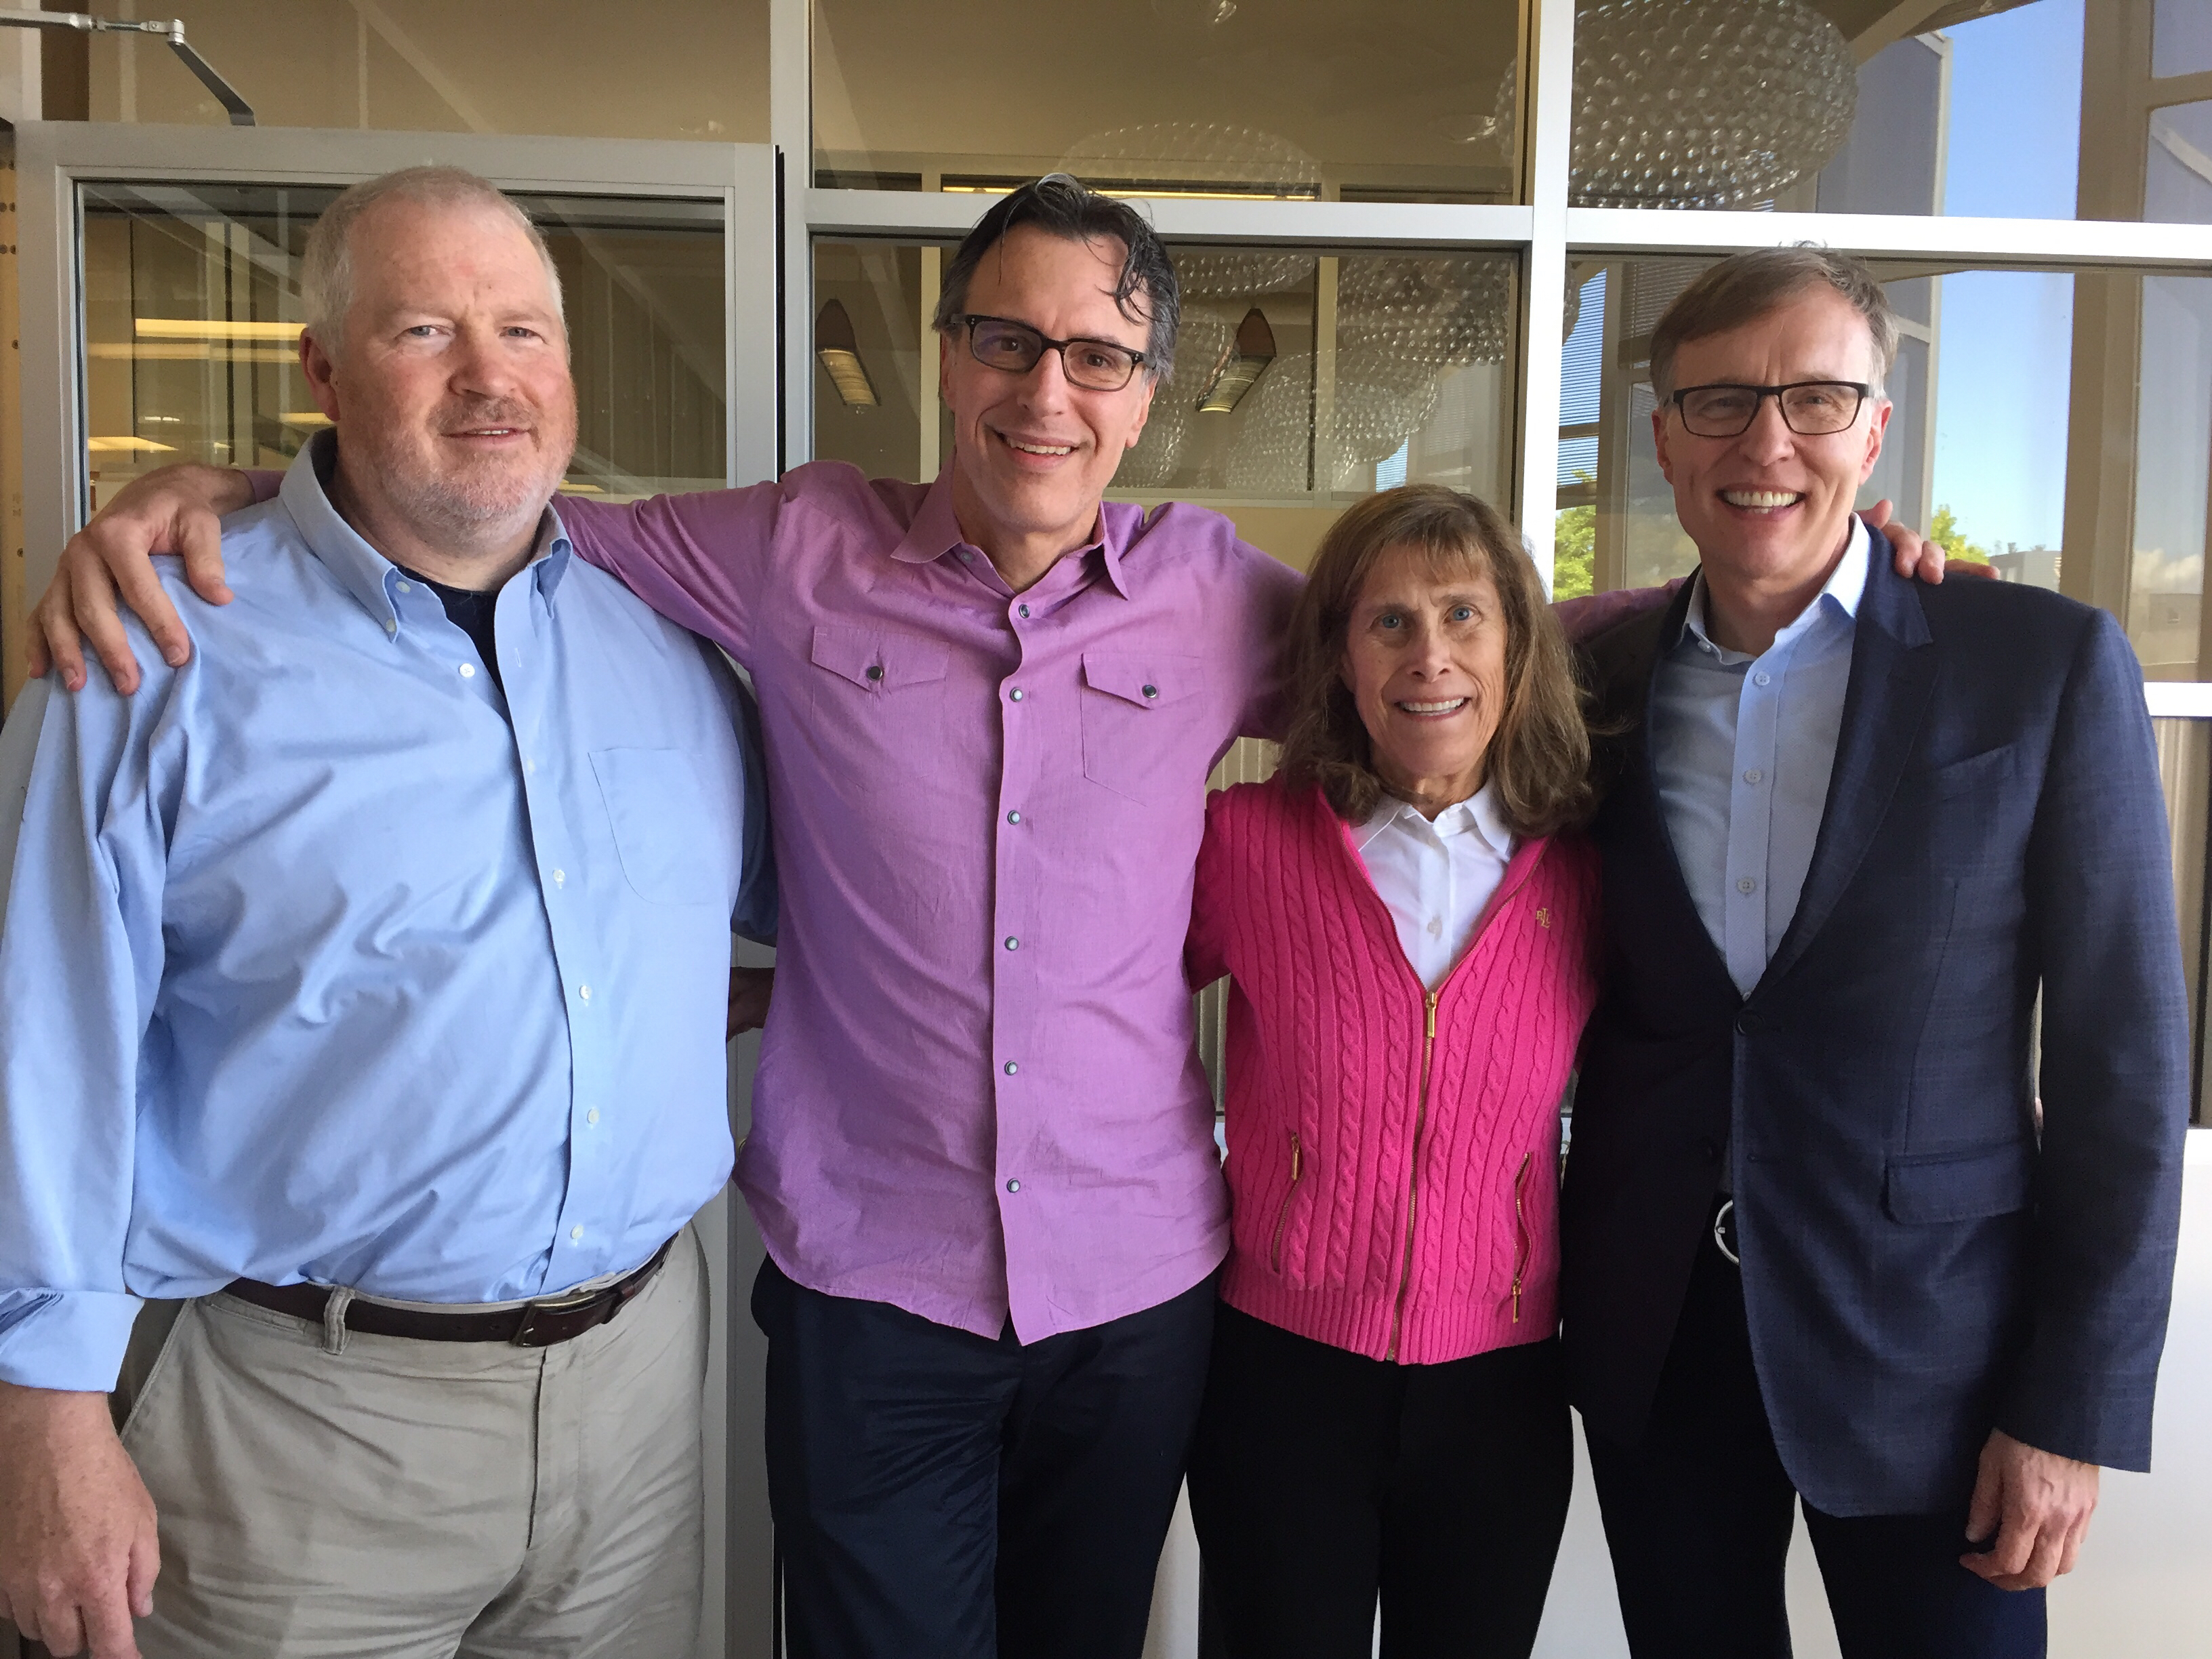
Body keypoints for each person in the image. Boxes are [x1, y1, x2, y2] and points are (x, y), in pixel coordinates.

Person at [23, 178, 1948, 1659]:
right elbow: (485, 501)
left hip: (1137, 1296)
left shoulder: (1220, 599)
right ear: (948, 357)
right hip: (869, 1290)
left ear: (1147, 391)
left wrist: (1789, 586)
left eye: (1097, 355)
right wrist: (219, 502)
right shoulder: (782, 550)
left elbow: (1459, 649)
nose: (1049, 391)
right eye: (1009, 344)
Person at [0, 167, 775, 1659]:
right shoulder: (150, 655)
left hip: (635, 1403)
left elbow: (827, 905)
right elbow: (36, 1046)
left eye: (526, 333)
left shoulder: (668, 651)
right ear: (323, 368)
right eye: (425, 330)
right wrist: (43, 1418)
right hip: (302, 1422)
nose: (492, 377)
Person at [1564, 246, 2191, 1659]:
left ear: (1878, 428)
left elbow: (2125, 1075)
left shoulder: (2038, 666)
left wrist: (2069, 1406)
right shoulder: (1591, 685)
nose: (1767, 442)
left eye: (1816, 399)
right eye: (1718, 402)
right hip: (1660, 1338)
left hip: (1941, 1366)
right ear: (1662, 436)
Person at [1183, 485, 1597, 1658]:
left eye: (1466, 616)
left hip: (1500, 1392)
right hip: (1279, 1377)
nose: (1432, 657)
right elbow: (1100, 1017)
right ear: (1341, 658)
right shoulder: (1245, 843)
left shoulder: (1586, 872)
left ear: (1517, 649)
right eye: (1391, 623)